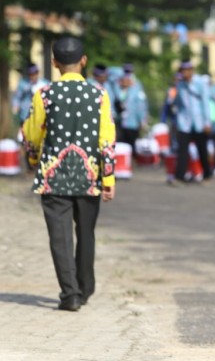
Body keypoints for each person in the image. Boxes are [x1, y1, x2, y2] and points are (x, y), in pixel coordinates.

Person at [21, 37, 116, 311]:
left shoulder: (44, 95)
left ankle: (70, 294)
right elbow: (106, 140)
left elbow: (32, 134)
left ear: (53, 63)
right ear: (84, 60)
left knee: (59, 236)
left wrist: (33, 159)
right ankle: (85, 289)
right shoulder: (99, 95)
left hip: (54, 176)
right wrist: (108, 179)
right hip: (90, 175)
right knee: (86, 232)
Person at [165, 60, 213, 185]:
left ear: (192, 71)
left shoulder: (200, 83)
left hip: (199, 121)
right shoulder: (180, 85)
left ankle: (207, 174)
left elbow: (205, 104)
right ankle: (179, 176)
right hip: (184, 122)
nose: (185, 73)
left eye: (187, 70)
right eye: (183, 71)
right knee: (182, 149)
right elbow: (178, 103)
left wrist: (207, 122)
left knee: (202, 149)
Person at [115, 64, 148, 152]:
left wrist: (142, 120)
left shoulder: (137, 88)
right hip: (121, 123)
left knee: (132, 146)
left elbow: (141, 106)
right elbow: (110, 72)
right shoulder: (119, 88)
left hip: (132, 123)